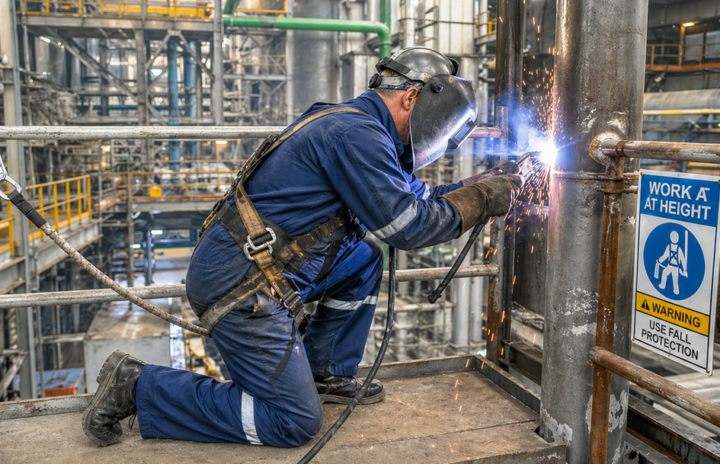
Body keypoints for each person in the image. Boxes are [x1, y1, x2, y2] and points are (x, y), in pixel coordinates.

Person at [82, 47, 522, 448]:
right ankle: (138, 385)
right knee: (291, 423)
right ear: (412, 98)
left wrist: (474, 186)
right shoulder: (357, 134)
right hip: (241, 287)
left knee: (364, 258)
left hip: (267, 269)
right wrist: (484, 201)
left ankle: (324, 372)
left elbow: (417, 197)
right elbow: (407, 227)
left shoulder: (358, 126)